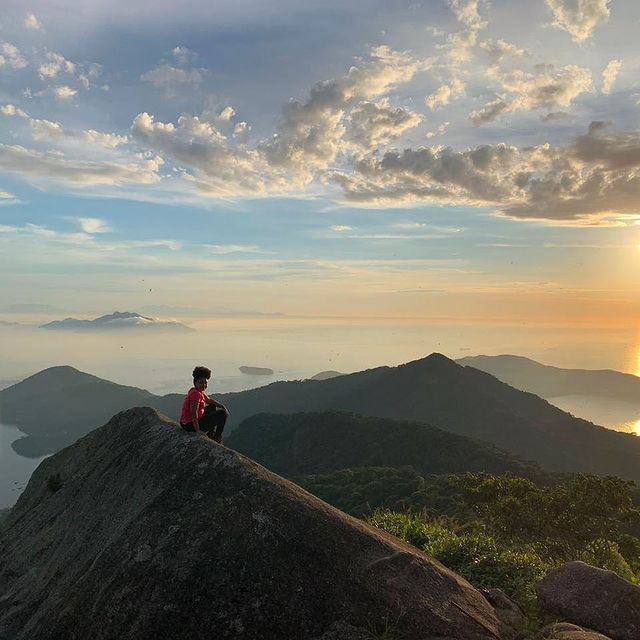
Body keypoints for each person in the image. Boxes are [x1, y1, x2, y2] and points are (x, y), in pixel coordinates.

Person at [179, 366, 229, 444]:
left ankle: (210, 434)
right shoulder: (196, 394)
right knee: (222, 414)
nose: (204, 385)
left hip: (185, 423)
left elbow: (209, 400)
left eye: (205, 382)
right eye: (201, 382)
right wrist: (197, 430)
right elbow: (193, 412)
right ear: (195, 383)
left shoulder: (196, 391)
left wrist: (222, 406)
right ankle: (217, 437)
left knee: (212, 406)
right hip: (190, 425)